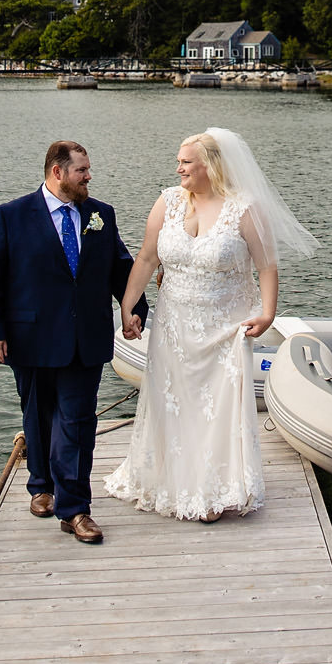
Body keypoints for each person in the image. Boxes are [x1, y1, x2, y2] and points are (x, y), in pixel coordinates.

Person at [104, 127, 317, 523]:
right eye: (180, 161)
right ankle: (169, 479)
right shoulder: (167, 201)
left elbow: (267, 266)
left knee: (215, 408)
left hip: (223, 327)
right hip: (172, 325)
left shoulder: (245, 208)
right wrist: (128, 305)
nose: (178, 167)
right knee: (174, 403)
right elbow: (147, 258)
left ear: (210, 166)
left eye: (186, 161)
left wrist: (268, 312)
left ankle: (213, 489)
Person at [0, 140, 145, 545]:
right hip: (30, 336)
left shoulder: (100, 215)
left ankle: (75, 510)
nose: (89, 177)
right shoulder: (10, 216)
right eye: (81, 171)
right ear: (57, 172)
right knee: (38, 416)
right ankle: (41, 485)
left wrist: (136, 308)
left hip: (85, 337)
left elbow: (121, 268)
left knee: (78, 422)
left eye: (88, 170)